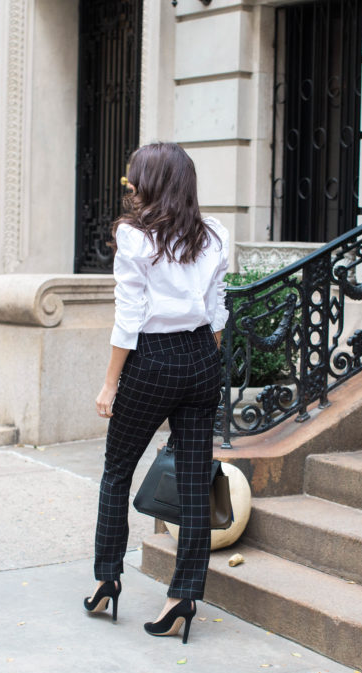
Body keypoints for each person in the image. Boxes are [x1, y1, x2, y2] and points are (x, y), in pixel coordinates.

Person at [83, 142, 229, 645]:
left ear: (151, 184)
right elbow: (217, 311)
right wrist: (200, 360)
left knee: (117, 468)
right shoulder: (215, 235)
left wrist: (110, 383)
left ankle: (107, 578)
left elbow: (129, 318)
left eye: (135, 177)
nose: (130, 184)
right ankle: (182, 597)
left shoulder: (134, 238)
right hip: (202, 359)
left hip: (151, 359)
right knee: (192, 483)